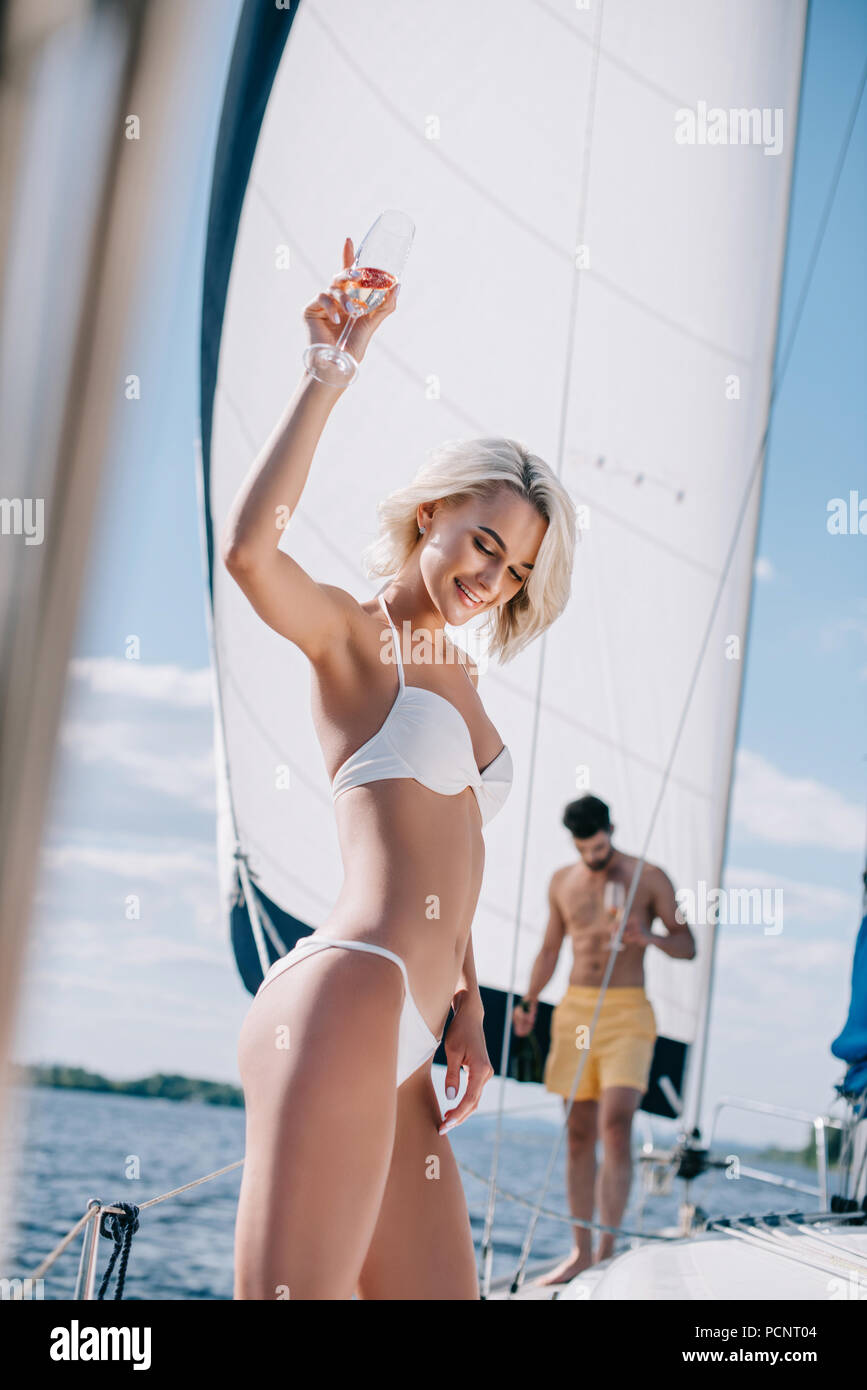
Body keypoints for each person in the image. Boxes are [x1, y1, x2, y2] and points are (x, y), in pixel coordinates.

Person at [226, 235, 577, 1300]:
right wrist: (326, 375)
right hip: (346, 998)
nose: (492, 576)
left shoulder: (464, 678)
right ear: (433, 513)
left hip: (415, 1038)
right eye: (483, 543)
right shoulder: (356, 635)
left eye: (514, 570)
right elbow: (250, 554)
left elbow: (449, 853)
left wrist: (468, 1005)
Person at [512, 794, 695, 1285]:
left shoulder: (649, 876)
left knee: (616, 1126)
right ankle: (580, 1251)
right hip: (575, 1008)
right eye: (585, 848)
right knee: (577, 1133)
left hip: (627, 1012)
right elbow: (550, 948)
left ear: (611, 830)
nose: (595, 855)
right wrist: (529, 1000)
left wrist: (650, 937)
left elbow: (687, 943)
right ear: (574, 842)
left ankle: (609, 1249)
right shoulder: (562, 882)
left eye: (600, 845)